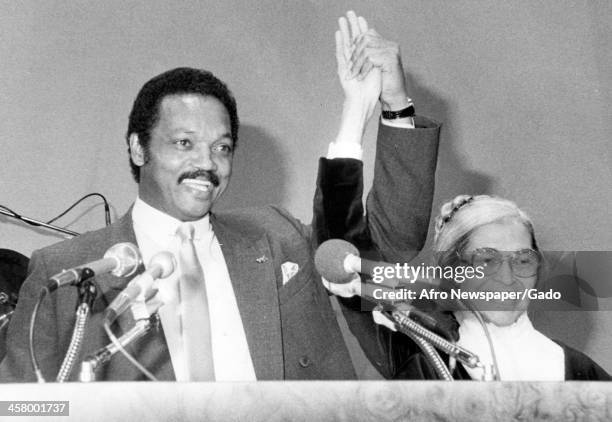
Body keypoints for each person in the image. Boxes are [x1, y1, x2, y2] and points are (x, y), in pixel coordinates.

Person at [0, 11, 440, 382]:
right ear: (138, 147)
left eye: (222, 147)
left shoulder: (276, 237)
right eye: (184, 143)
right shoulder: (67, 272)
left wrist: (377, 107)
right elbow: (18, 407)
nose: (207, 164)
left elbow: (386, 248)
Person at [334, 195, 610, 380]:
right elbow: (340, 250)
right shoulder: (427, 365)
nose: (507, 278)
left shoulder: (582, 372)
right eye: (487, 260)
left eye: (523, 260)